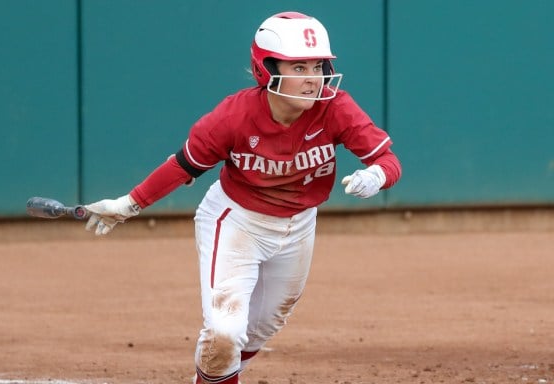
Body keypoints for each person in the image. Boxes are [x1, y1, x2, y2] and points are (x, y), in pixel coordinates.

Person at [83, 11, 402, 384]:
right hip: (236, 221)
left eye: (318, 66)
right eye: (299, 67)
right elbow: (183, 166)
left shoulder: (334, 107)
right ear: (265, 69)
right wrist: (128, 204)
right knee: (224, 331)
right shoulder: (233, 116)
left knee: (261, 329)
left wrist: (376, 175)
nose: (313, 79)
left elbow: (387, 159)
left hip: (298, 227)